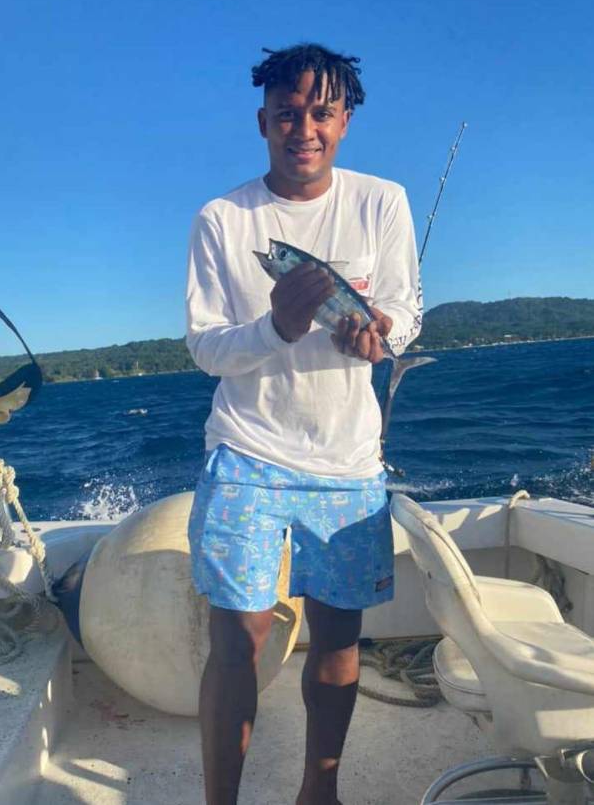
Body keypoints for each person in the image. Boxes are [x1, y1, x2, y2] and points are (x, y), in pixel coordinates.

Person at [185, 43, 422, 805]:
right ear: (262, 121)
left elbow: (403, 310)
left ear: (344, 120)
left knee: (338, 636)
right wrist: (277, 328)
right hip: (246, 450)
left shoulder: (382, 201)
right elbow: (206, 347)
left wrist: (382, 332)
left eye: (321, 113)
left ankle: (319, 792)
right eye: (287, 114)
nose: (304, 129)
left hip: (346, 460)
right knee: (238, 639)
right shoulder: (221, 219)